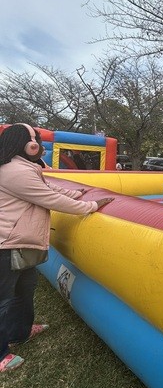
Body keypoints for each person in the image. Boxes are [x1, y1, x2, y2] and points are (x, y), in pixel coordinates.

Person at [0, 123, 114, 373]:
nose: (37, 144)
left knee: (24, 289)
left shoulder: (25, 167)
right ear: (24, 143)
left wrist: (76, 193)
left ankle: (20, 331)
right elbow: (48, 198)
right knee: (4, 298)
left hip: (19, 242)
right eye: (34, 139)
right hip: (6, 244)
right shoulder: (13, 171)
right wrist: (90, 206)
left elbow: (48, 188)